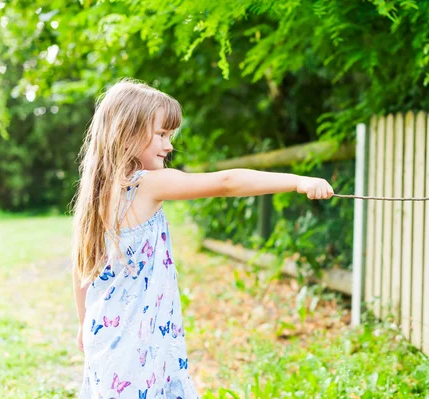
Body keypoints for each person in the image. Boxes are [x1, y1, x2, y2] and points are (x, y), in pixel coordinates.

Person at [71, 78, 334, 398]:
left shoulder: (96, 196)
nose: (169, 145)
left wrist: (85, 326)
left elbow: (81, 270)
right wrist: (298, 182)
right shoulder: (148, 185)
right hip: (138, 348)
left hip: (105, 341)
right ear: (127, 132)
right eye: (162, 134)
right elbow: (227, 182)